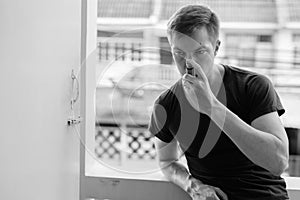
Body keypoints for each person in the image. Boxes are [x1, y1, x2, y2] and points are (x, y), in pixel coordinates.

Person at [148, 4, 290, 200]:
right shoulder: (166, 104)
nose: (189, 63)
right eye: (179, 53)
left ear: (216, 48)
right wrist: (192, 185)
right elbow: (166, 161)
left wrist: (212, 107)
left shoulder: (253, 86)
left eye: (200, 52)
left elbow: (279, 161)